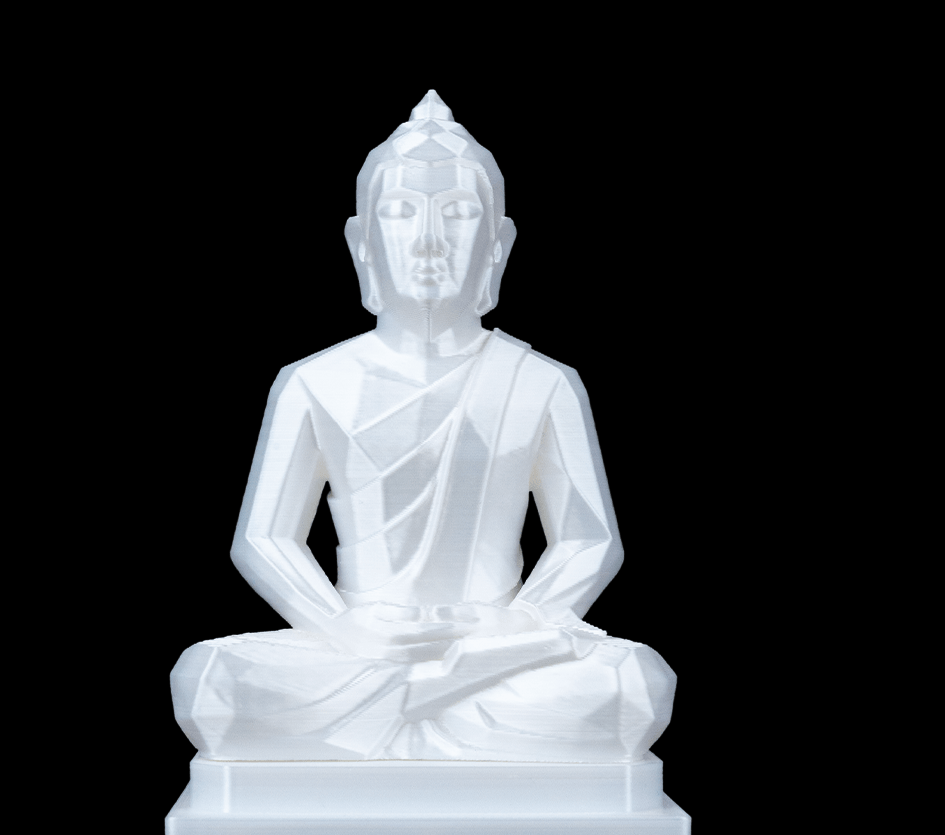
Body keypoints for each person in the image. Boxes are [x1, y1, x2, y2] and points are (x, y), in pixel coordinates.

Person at [171, 92, 675, 761]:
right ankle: (432, 709)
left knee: (633, 685)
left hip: (494, 648)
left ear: (497, 245)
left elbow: (588, 540)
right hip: (358, 650)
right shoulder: (312, 382)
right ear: (362, 244)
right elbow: (264, 539)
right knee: (209, 681)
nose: (430, 241)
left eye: (459, 215)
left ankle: (400, 717)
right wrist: (343, 628)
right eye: (401, 212)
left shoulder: (541, 382)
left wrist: (513, 625)